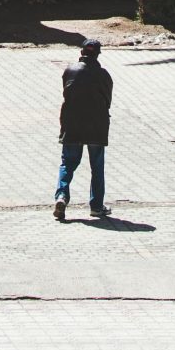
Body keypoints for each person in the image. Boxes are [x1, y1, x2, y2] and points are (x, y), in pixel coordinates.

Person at [55, 38, 113, 221]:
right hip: (96, 126)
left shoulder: (70, 71)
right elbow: (107, 101)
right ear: (97, 55)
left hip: (72, 125)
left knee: (68, 163)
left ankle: (62, 196)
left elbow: (67, 94)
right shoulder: (104, 75)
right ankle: (96, 206)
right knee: (97, 166)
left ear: (81, 53)